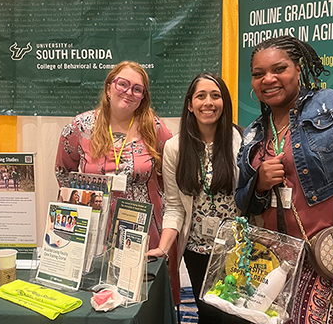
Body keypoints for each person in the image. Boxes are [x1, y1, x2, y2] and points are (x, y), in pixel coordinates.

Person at [235, 36, 333, 324]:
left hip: (322, 258)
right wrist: (259, 183)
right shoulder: (253, 133)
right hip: (269, 263)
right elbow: (243, 200)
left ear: (299, 69)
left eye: (279, 69)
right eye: (258, 74)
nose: (268, 79)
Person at [55, 60, 179, 304]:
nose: (128, 92)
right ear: (109, 87)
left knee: (143, 302)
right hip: (95, 235)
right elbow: (64, 173)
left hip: (145, 229)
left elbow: (172, 172)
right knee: (95, 300)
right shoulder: (80, 127)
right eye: (122, 84)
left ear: (143, 97)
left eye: (137, 89)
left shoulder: (154, 127)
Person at [148, 72, 243, 324]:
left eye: (215, 96)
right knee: (209, 314)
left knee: (238, 315)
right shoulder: (174, 148)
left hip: (236, 249)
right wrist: (163, 247)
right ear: (190, 104)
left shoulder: (241, 140)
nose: (208, 102)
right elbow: (175, 207)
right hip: (197, 249)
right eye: (201, 96)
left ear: (225, 103)